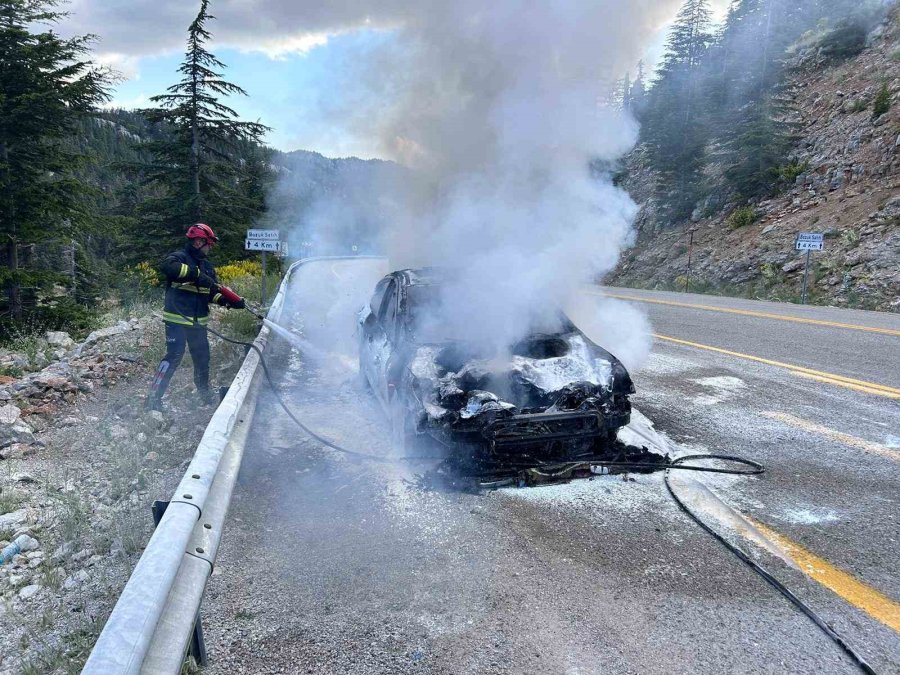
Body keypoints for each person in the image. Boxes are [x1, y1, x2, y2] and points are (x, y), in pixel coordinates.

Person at [146, 223, 246, 411]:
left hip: (198, 322)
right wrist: (195, 274)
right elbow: (169, 268)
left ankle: (204, 394)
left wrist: (226, 301)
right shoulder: (179, 258)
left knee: (202, 358)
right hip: (177, 319)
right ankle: (153, 398)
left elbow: (209, 293)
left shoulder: (207, 266)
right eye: (209, 243)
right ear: (199, 241)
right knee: (174, 356)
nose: (210, 247)